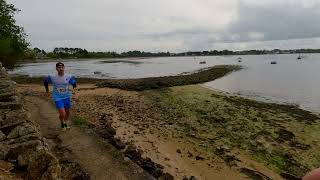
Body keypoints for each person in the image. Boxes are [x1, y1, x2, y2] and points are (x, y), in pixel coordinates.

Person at [43, 62, 76, 130]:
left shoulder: (68, 76)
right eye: (59, 67)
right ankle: (62, 122)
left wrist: (74, 88)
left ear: (64, 68)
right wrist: (47, 91)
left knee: (67, 113)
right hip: (57, 97)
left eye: (62, 67)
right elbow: (45, 81)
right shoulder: (52, 77)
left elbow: (74, 83)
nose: (61, 69)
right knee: (63, 113)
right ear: (56, 68)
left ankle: (64, 123)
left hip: (66, 96)